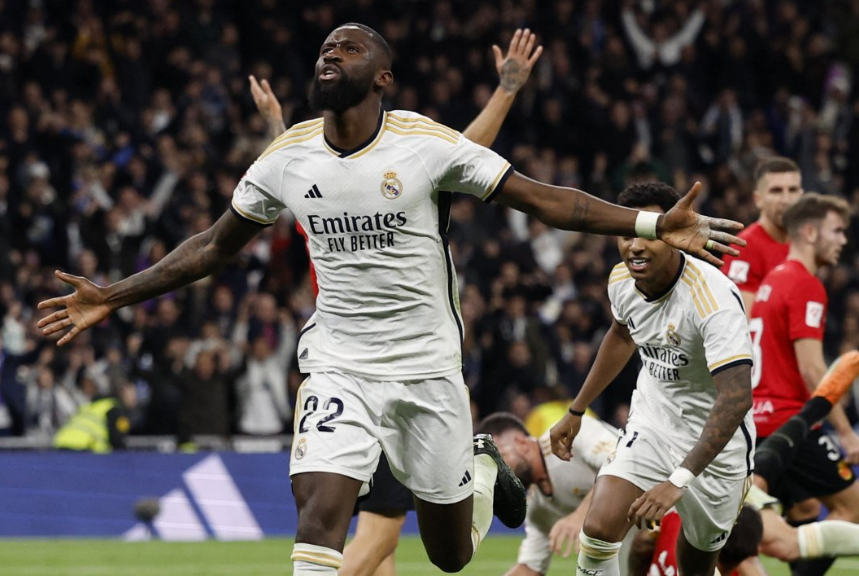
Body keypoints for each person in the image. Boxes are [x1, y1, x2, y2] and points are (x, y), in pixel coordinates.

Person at [37, 23, 744, 575]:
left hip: (428, 369)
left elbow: (547, 201)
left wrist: (651, 222)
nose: (327, 55)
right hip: (339, 362)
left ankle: (483, 466)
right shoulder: (287, 155)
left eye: (345, 49)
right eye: (322, 48)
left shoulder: (423, 146)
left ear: (381, 78)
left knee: (450, 555)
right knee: (318, 510)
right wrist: (113, 295)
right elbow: (213, 245)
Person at [249, 29, 546, 576]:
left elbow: (461, 157)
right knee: (333, 523)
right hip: (343, 364)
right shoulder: (310, 177)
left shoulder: (408, 162)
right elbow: (295, 163)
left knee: (415, 546)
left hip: (415, 364)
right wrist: (275, 129)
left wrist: (504, 92)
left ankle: (477, 467)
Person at [550, 181, 755, 576]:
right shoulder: (621, 281)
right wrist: (577, 410)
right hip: (654, 423)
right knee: (597, 530)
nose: (635, 246)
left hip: (717, 448)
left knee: (695, 567)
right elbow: (622, 334)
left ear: (675, 236)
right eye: (628, 234)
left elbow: (736, 398)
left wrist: (678, 479)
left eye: (650, 234)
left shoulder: (713, 298)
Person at [630, 351, 859, 576]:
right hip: (705, 484)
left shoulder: (681, 529)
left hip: (703, 487)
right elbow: (644, 544)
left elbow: (643, 545)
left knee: (773, 498)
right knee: (787, 536)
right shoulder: (686, 533)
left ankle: (815, 408)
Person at [748, 193, 859, 576]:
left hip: (758, 421)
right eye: (837, 231)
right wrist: (847, 433)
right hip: (790, 421)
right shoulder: (805, 285)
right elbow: (813, 369)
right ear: (811, 232)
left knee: (802, 509)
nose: (843, 240)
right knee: (853, 507)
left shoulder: (772, 280)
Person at [475, 411, 634, 576]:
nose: (497, 474)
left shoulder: (571, 433)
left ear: (521, 443)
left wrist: (582, 515)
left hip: (658, 522)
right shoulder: (535, 507)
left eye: (499, 460)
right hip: (636, 560)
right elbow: (530, 567)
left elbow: (624, 465)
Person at [720, 156, 803, 316]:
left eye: (792, 190)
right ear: (758, 199)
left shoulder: (804, 244)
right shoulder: (744, 248)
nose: (786, 200)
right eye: (776, 191)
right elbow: (742, 324)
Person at [52, 383, 135, 453]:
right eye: (132, 394)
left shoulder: (94, 405)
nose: (134, 398)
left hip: (62, 442)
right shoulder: (116, 409)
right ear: (122, 394)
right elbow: (117, 439)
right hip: (84, 446)